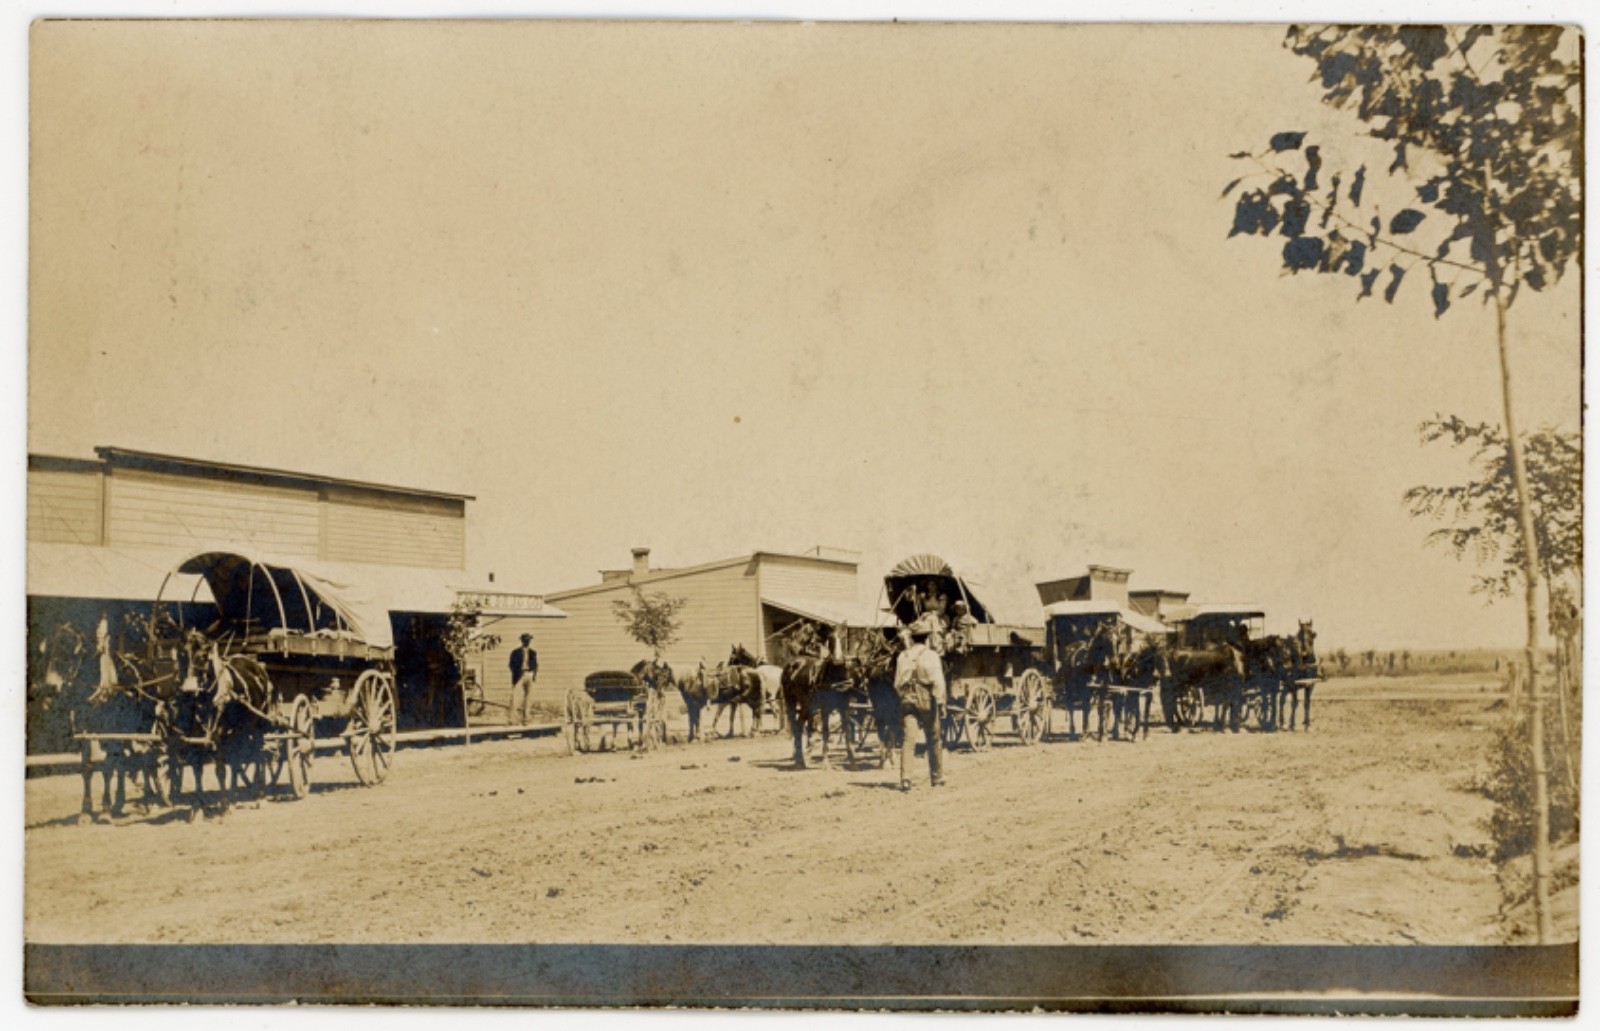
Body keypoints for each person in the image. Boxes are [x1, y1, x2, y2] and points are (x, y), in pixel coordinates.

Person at [893, 616, 947, 791]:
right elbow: (938, 682)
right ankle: (937, 777)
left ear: (912, 637)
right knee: (934, 737)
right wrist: (940, 702)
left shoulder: (903, 656)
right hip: (926, 700)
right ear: (926, 638)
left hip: (907, 699)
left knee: (908, 740)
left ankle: (906, 779)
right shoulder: (931, 656)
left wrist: (905, 695)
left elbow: (897, 684)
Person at [509, 633, 538, 725]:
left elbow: (536, 664)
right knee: (515, 697)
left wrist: (533, 674)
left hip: (529, 674)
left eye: (529, 640)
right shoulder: (515, 652)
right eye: (525, 640)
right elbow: (511, 664)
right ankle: (513, 719)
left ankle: (526, 719)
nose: (527, 641)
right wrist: (517, 672)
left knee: (528, 697)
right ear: (522, 641)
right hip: (519, 675)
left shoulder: (533, 653)